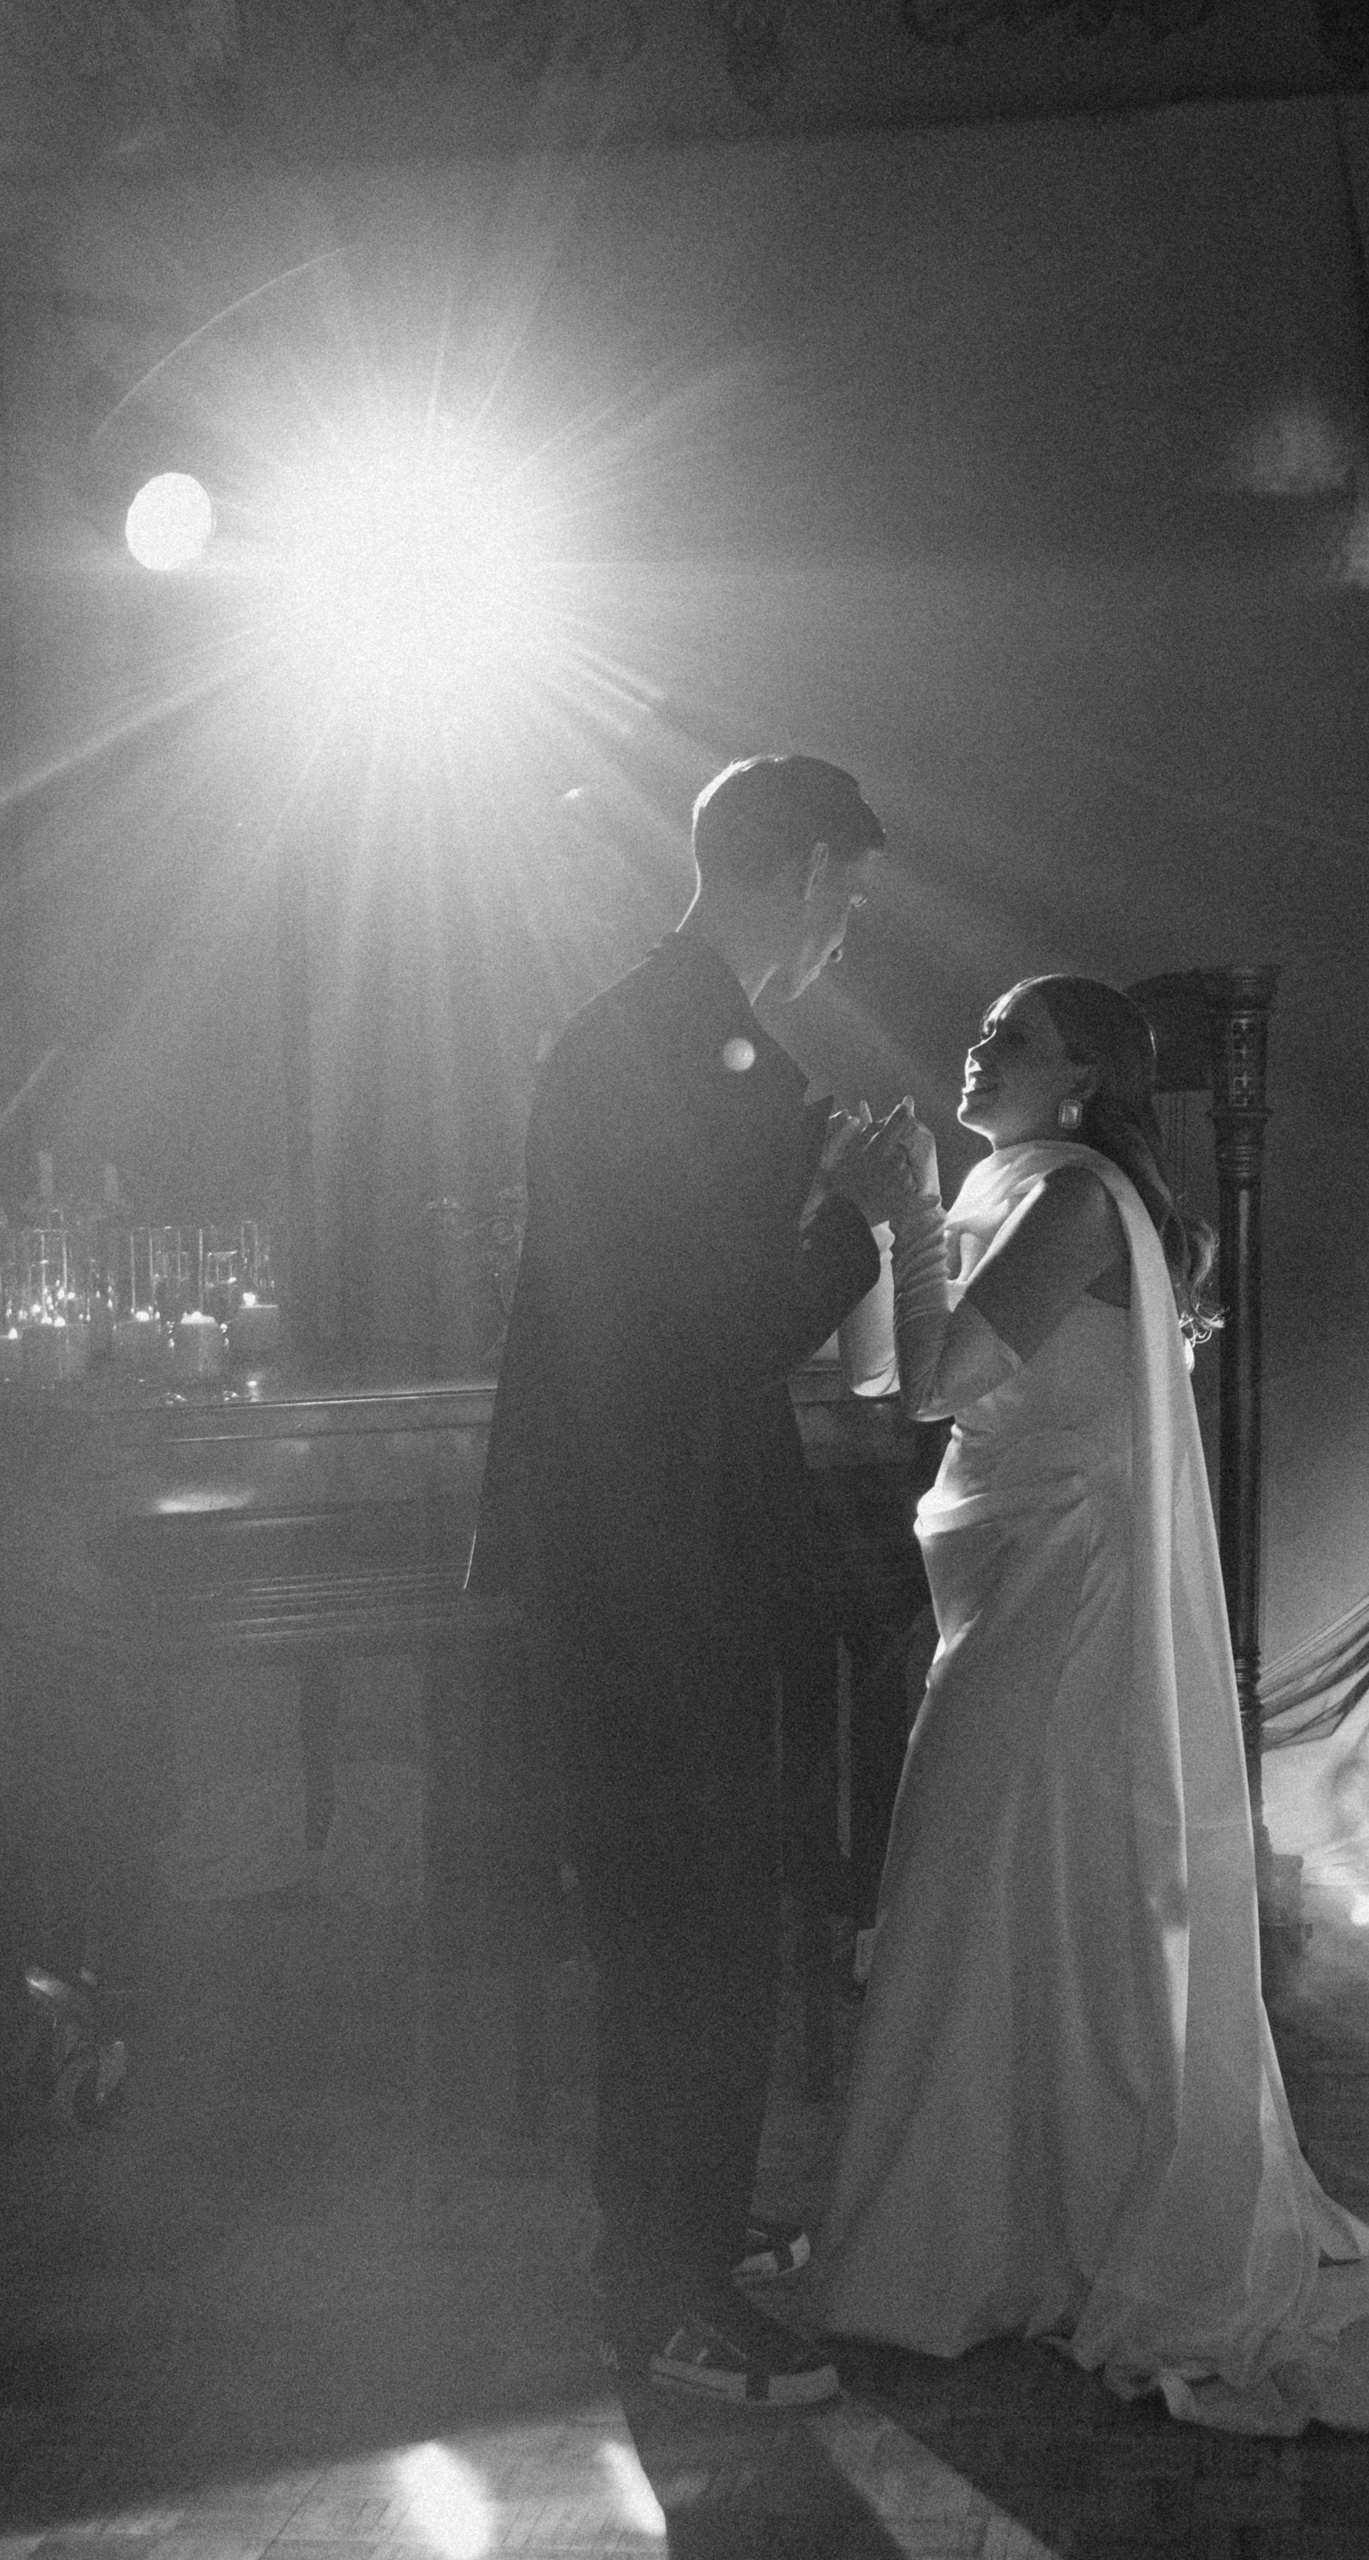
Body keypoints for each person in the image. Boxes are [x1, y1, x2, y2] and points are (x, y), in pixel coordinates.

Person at [812, 975, 1369, 2433]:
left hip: (1061, 1596)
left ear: (1082, 1079)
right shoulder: (1019, 1188)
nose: (978, 1048)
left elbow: (941, 1385)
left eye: (1014, 1037)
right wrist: (898, 1221)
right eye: (984, 1031)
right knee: (994, 1888)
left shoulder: (1073, 1199)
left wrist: (903, 1207)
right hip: (1014, 1579)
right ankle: (990, 2227)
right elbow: (888, 1369)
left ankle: (994, 2235)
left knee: (981, 1877)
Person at [469, 753, 904, 2407]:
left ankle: (682, 2240)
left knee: (681, 1922)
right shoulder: (701, 1052)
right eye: (846, 894)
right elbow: (721, 1332)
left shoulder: (627, 1031)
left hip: (622, 1550)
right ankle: (664, 2292)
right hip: (666, 1564)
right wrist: (854, 1218)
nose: (846, 930)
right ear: (799, 873)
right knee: (697, 1929)